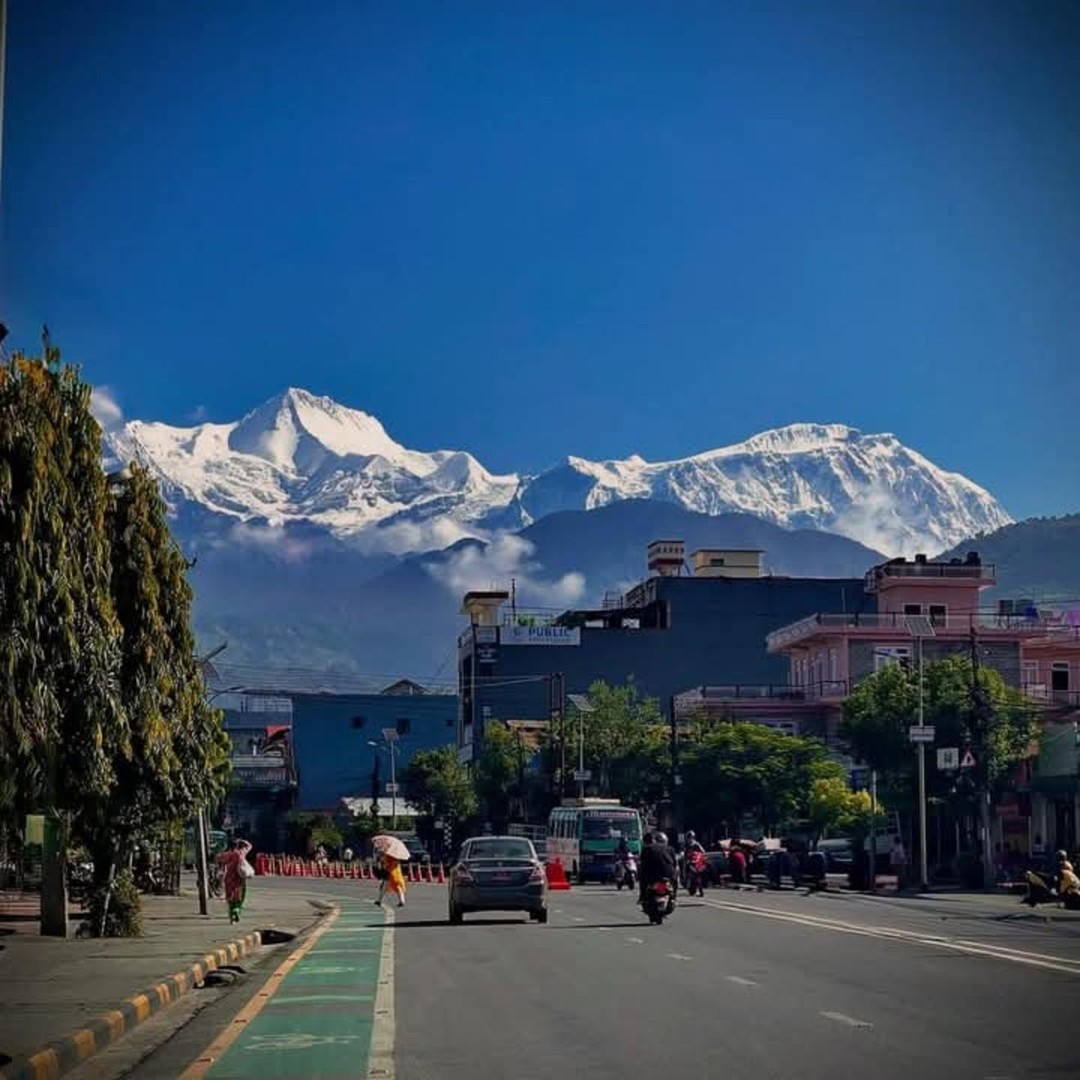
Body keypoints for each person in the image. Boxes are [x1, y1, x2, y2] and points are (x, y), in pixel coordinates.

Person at [217, 839, 254, 924]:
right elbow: (249, 846)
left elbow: (218, 858)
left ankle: (231, 916)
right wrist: (243, 841)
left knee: (230, 897)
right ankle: (237, 910)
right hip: (239, 878)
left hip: (229, 878)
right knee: (239, 896)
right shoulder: (241, 853)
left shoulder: (226, 855)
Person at [638, 830, 678, 903]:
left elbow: (642, 863)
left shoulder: (647, 848)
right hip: (668, 873)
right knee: (675, 881)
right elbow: (675, 864)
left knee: (643, 879)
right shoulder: (670, 849)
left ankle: (642, 896)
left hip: (653, 873)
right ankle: (674, 897)